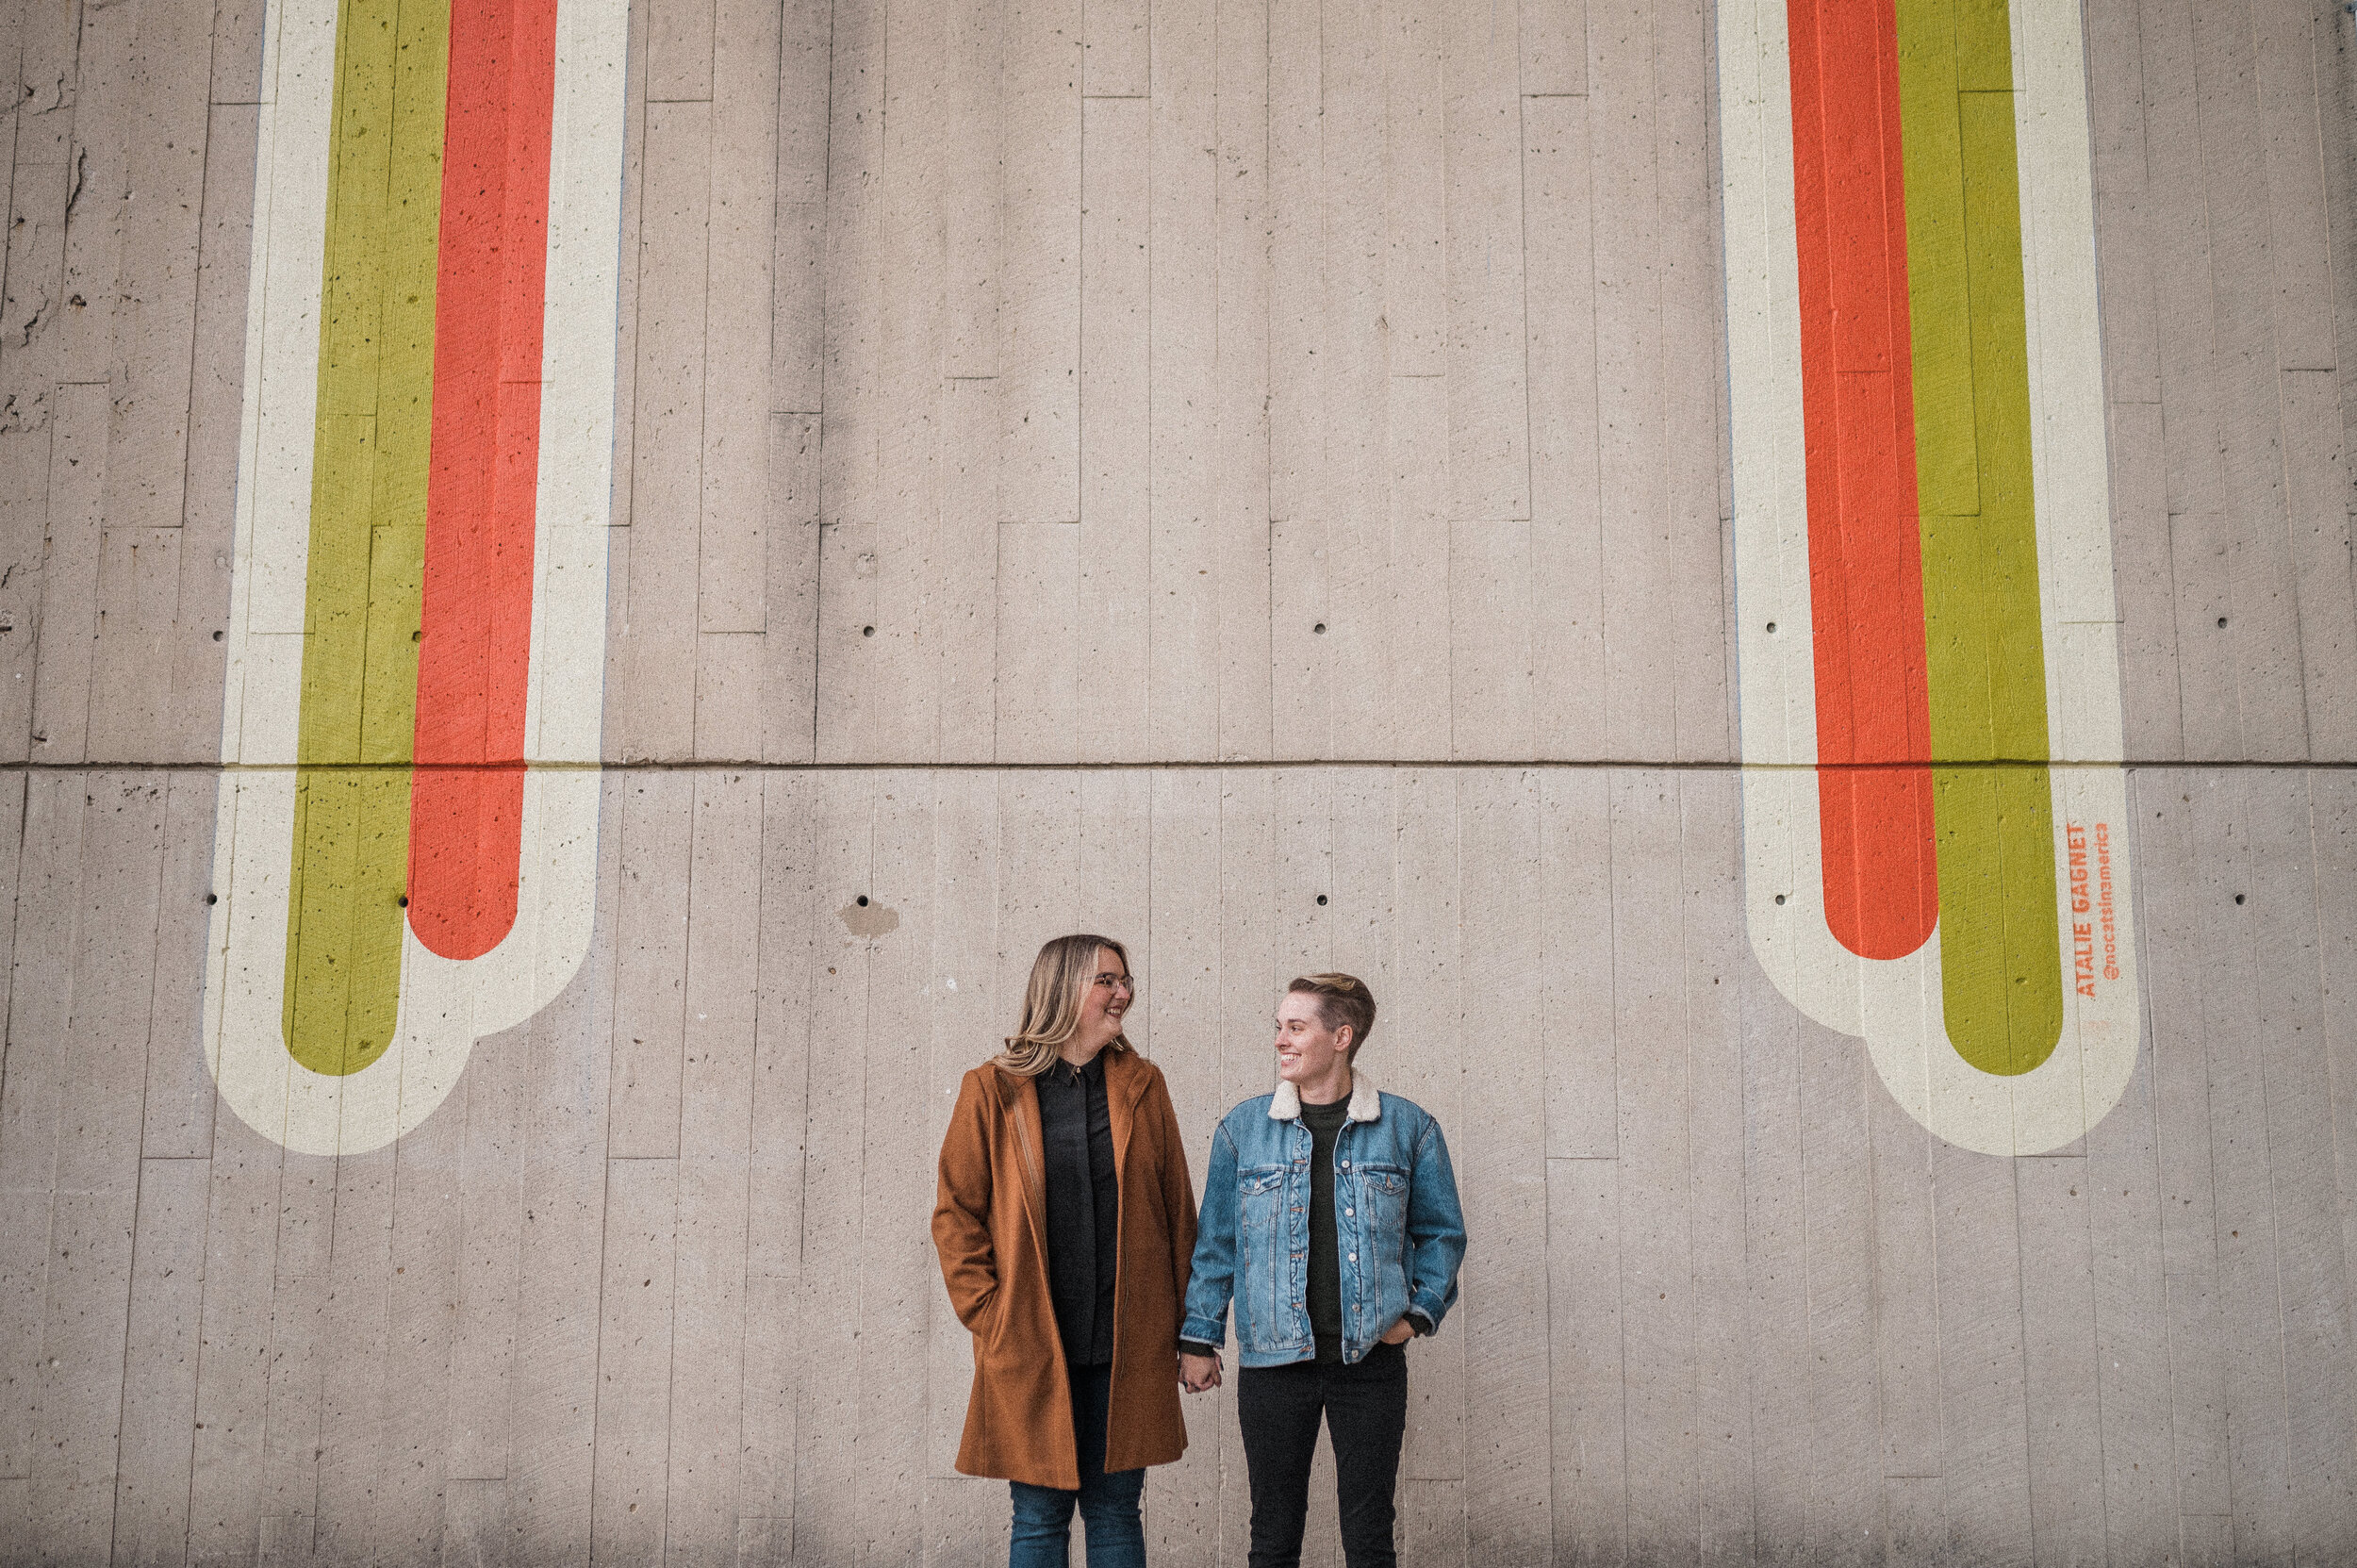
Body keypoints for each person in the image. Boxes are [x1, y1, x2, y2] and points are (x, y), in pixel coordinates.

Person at [1177, 973, 1467, 1568]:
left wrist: (1416, 1317)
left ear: (1341, 1035)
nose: (1280, 1039)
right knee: (1273, 1537)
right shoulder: (1243, 1130)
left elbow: (1442, 1235)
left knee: (1368, 1538)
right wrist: (1199, 1338)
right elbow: (1216, 1245)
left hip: (1370, 1361)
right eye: (1278, 1027)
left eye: (1295, 1027)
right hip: (1274, 1363)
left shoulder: (1409, 1128)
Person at [933, 934, 1199, 1568]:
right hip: (1030, 1342)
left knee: (1115, 1512)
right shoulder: (992, 1089)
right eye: (1108, 979)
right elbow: (956, 1214)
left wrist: (1192, 1333)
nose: (1124, 992)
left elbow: (1178, 1215)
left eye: (1126, 979)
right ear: (1062, 988)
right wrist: (991, 1313)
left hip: (1127, 1344)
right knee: (1039, 1516)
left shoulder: (1143, 1085)